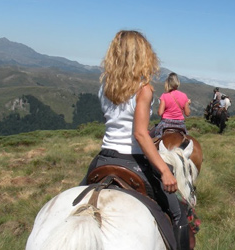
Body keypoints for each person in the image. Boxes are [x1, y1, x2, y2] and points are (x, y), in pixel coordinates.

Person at [79, 30, 191, 249]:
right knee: (178, 215)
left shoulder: (105, 87)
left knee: (73, 203)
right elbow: (139, 134)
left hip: (103, 159)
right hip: (132, 161)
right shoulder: (144, 90)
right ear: (142, 56)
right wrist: (166, 171)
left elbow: (113, 122)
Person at [154, 72, 191, 138]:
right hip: (180, 124)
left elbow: (160, 113)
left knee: (154, 138)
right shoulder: (184, 96)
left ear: (168, 83)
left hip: (165, 124)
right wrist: (187, 104)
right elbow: (187, 113)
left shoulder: (164, 96)